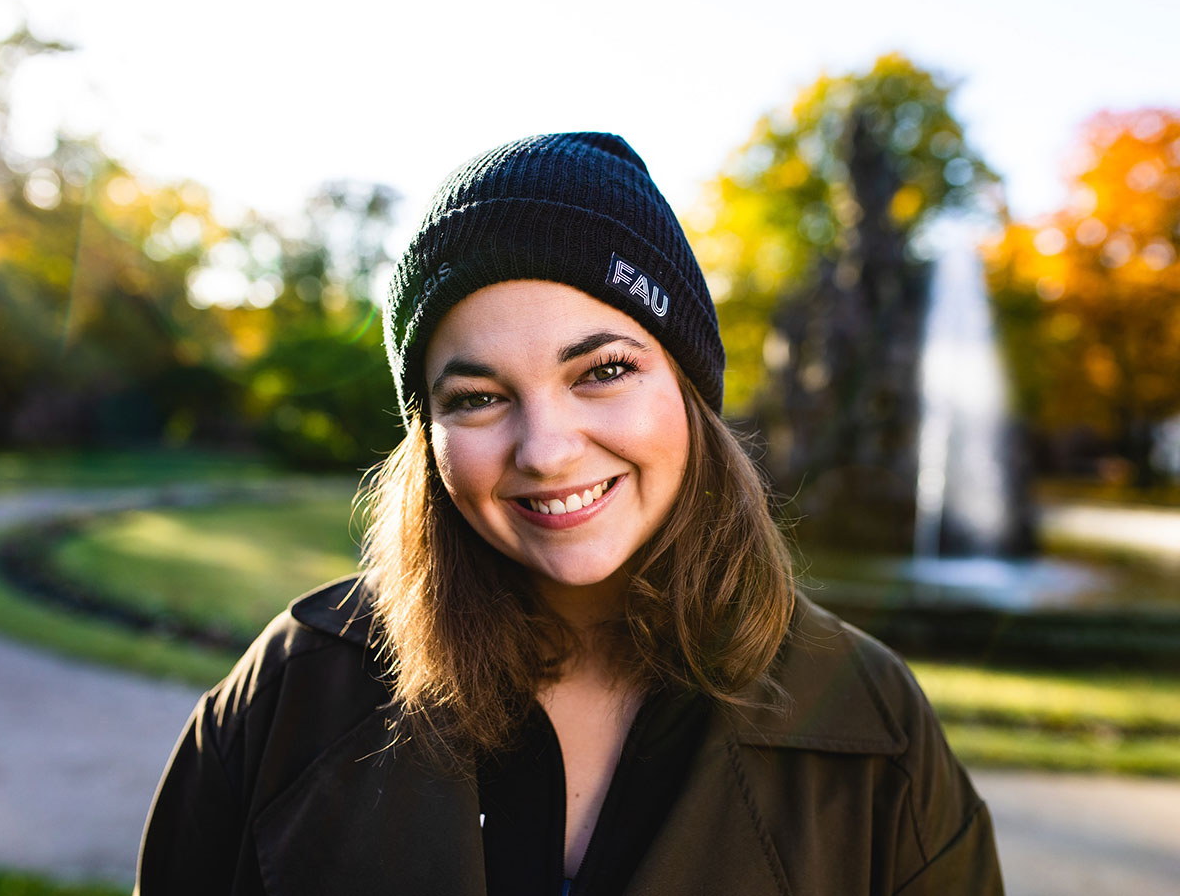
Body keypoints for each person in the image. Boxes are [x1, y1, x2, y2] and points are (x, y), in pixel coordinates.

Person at [135, 132, 1004, 895]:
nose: (545, 449)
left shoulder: (872, 724)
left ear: (690, 390)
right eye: (477, 397)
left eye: (603, 371)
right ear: (427, 436)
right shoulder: (290, 694)